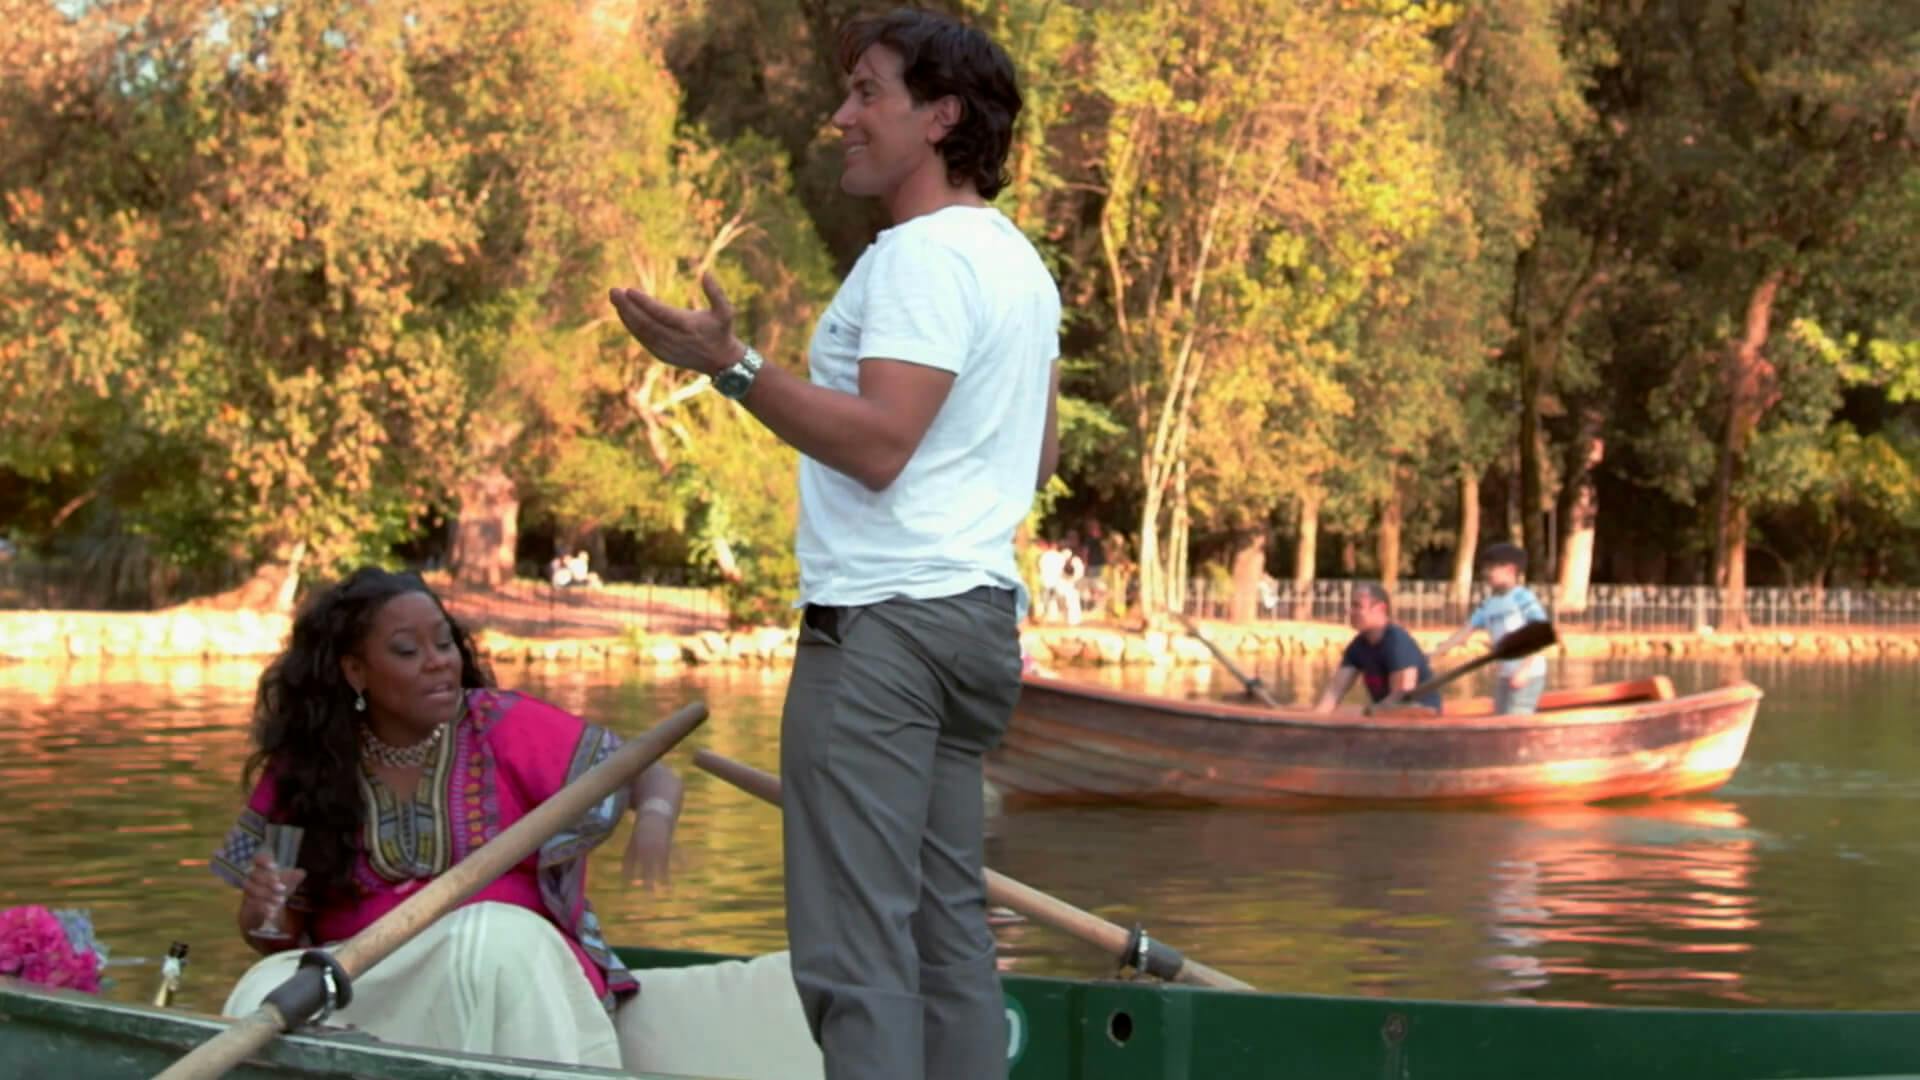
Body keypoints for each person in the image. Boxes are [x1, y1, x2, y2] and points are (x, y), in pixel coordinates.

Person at [606, 11, 1055, 1079]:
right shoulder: (1017, 265)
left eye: (867, 93)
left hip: (886, 642)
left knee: (856, 956)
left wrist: (734, 368)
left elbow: (882, 445)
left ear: (941, 116)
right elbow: (1030, 462)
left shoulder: (919, 258)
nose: (841, 116)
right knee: (946, 935)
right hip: (974, 628)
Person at [209, 568, 688, 1066]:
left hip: (506, 973)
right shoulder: (308, 765)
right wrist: (262, 910)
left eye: (444, 644)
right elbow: (274, 934)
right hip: (368, 984)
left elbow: (648, 771)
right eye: (407, 651)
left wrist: (653, 817)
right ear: (355, 671)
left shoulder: (500, 726)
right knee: (263, 987)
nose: (438, 663)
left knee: (490, 937)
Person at [1432, 542, 1551, 714]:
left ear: (1510, 570)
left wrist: (1524, 670)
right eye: (1485, 568)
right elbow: (1465, 632)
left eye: (1491, 568)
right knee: (1500, 715)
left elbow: (1539, 633)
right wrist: (1434, 654)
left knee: (1515, 720)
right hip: (1505, 674)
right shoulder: (1488, 604)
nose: (1485, 573)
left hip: (1528, 674)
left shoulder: (1523, 598)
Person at [1315, 582, 1441, 713]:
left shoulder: (1398, 642)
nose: (1350, 611)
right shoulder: (1357, 647)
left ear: (1380, 608)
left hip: (1420, 714)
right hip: (1383, 715)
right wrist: (1317, 717)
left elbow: (1401, 698)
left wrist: (1369, 713)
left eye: (1357, 606)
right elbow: (1334, 692)